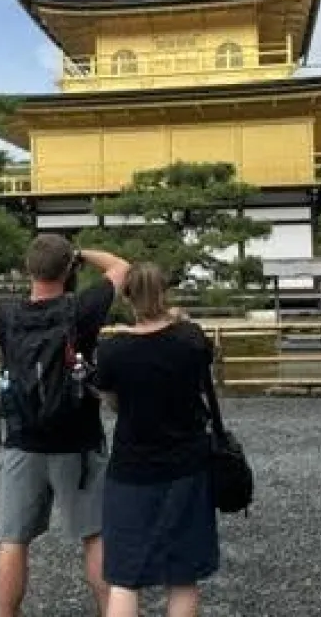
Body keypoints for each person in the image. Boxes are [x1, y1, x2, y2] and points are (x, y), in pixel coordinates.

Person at [0, 234, 130, 617]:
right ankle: (111, 610)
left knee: (12, 540)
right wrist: (81, 253)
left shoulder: (4, 315)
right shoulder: (82, 310)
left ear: (28, 269)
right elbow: (121, 267)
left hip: (22, 439)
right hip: (77, 441)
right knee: (95, 535)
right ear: (69, 269)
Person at [94, 262, 220, 617]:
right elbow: (202, 374)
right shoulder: (190, 339)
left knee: (124, 577)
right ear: (165, 292)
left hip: (131, 468)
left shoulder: (113, 350)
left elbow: (112, 402)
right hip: (187, 466)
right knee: (182, 576)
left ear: (127, 297)